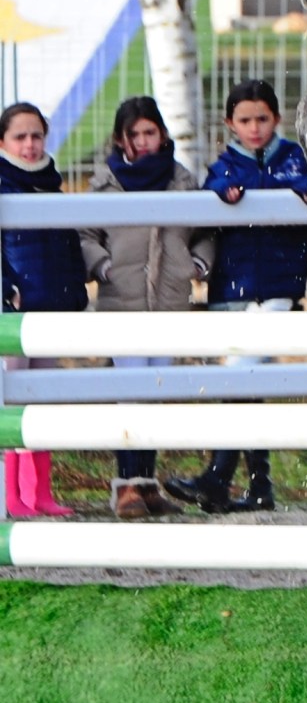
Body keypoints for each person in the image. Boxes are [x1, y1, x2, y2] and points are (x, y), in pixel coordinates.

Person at [165, 79, 307, 514]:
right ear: (230, 123)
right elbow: (203, 208)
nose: (254, 128)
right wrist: (220, 196)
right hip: (229, 293)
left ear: (276, 119)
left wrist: (306, 185)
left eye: (262, 118)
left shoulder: (297, 159)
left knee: (240, 378)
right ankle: (259, 487)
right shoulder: (223, 168)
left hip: (278, 291)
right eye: (245, 120)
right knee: (246, 388)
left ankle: (217, 477)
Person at [79, 96, 214, 521]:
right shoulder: (104, 183)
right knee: (130, 395)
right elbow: (85, 235)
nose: (142, 141)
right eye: (133, 133)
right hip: (123, 302)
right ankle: (125, 486)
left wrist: (196, 265)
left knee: (154, 394)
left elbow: (204, 231)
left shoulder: (182, 180)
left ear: (161, 134)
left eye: (149, 132)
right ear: (121, 138)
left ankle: (148, 483)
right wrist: (103, 268)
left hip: (170, 300)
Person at [1, 101, 87, 518]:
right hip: (13, 311)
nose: (30, 144)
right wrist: (6, 288)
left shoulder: (51, 182)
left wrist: (75, 293)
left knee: (45, 400)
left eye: (36, 135)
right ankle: (13, 495)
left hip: (50, 306)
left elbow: (65, 241)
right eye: (20, 136)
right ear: (3, 141)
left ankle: (41, 493)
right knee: (13, 402)